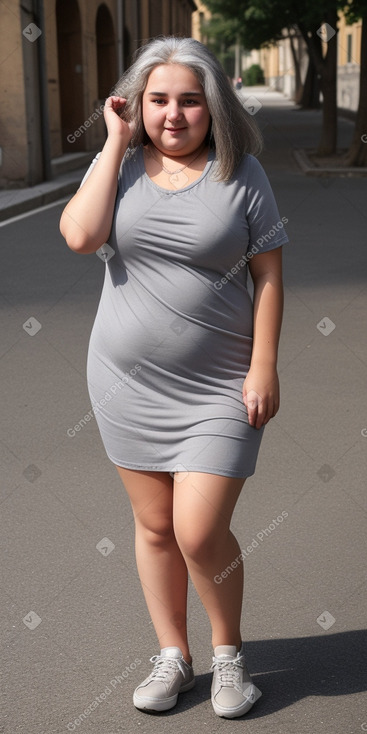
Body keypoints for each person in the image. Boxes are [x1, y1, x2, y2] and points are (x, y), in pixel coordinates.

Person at [60, 36, 288, 719]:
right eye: (158, 99)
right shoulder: (120, 167)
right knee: (154, 526)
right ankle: (172, 655)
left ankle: (227, 657)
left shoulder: (241, 172)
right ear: (135, 104)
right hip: (124, 385)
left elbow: (268, 272)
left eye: (189, 100)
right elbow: (79, 235)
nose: (173, 114)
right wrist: (112, 143)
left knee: (195, 531)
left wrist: (264, 363)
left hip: (220, 387)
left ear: (211, 105)